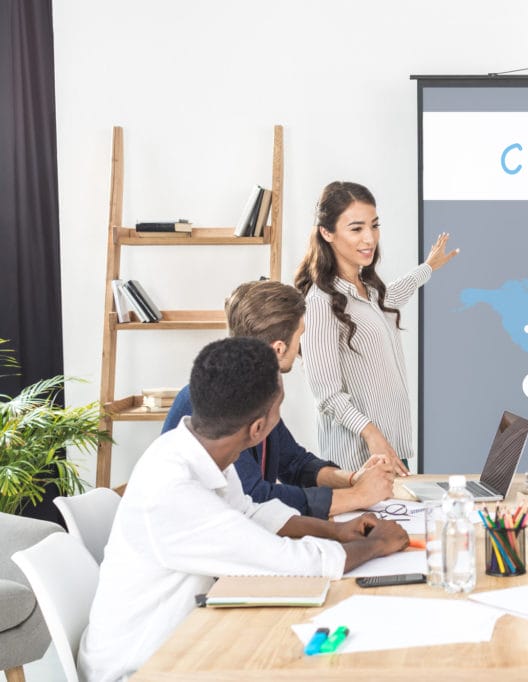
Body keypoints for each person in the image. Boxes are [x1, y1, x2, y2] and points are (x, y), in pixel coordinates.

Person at [78, 338, 409, 680]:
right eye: (279, 408)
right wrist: (375, 545)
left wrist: (336, 531)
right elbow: (293, 563)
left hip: (183, 641)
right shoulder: (175, 491)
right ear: (257, 429)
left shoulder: (195, 452)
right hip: (141, 668)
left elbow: (250, 514)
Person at [162, 280, 395, 518]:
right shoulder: (214, 400)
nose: (301, 347)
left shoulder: (257, 391)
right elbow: (253, 498)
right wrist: (357, 496)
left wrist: (353, 479)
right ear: (279, 349)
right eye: (299, 336)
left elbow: (294, 462)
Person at [295, 181, 458, 471]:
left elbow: (395, 294)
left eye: (374, 225)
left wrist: (428, 267)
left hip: (391, 447)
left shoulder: (369, 291)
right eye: (356, 229)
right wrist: (372, 435)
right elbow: (326, 394)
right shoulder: (320, 302)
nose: (369, 238)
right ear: (327, 232)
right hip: (359, 457)